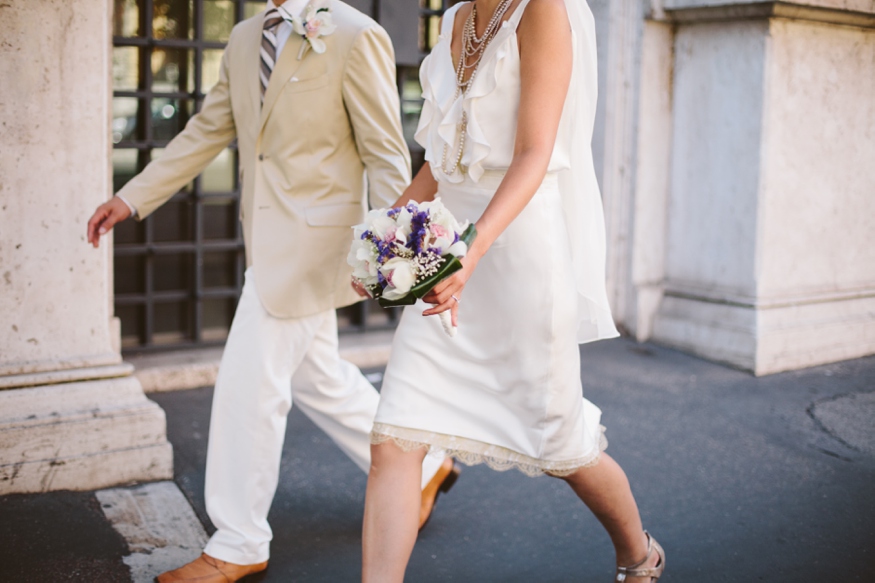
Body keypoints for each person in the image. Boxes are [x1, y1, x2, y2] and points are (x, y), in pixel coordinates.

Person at [86, 1, 459, 582]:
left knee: (250, 384)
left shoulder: (355, 35)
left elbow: (385, 154)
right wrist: (132, 196)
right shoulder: (241, 39)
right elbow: (208, 129)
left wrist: (399, 256)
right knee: (318, 376)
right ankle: (428, 462)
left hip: (320, 249)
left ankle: (238, 542)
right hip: (267, 241)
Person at [359, 0, 666, 581]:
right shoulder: (452, 21)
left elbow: (534, 154)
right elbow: (439, 164)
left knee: (562, 447)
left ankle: (638, 554)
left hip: (517, 256)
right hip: (450, 255)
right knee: (394, 440)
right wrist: (382, 242)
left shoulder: (545, 8)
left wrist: (467, 255)